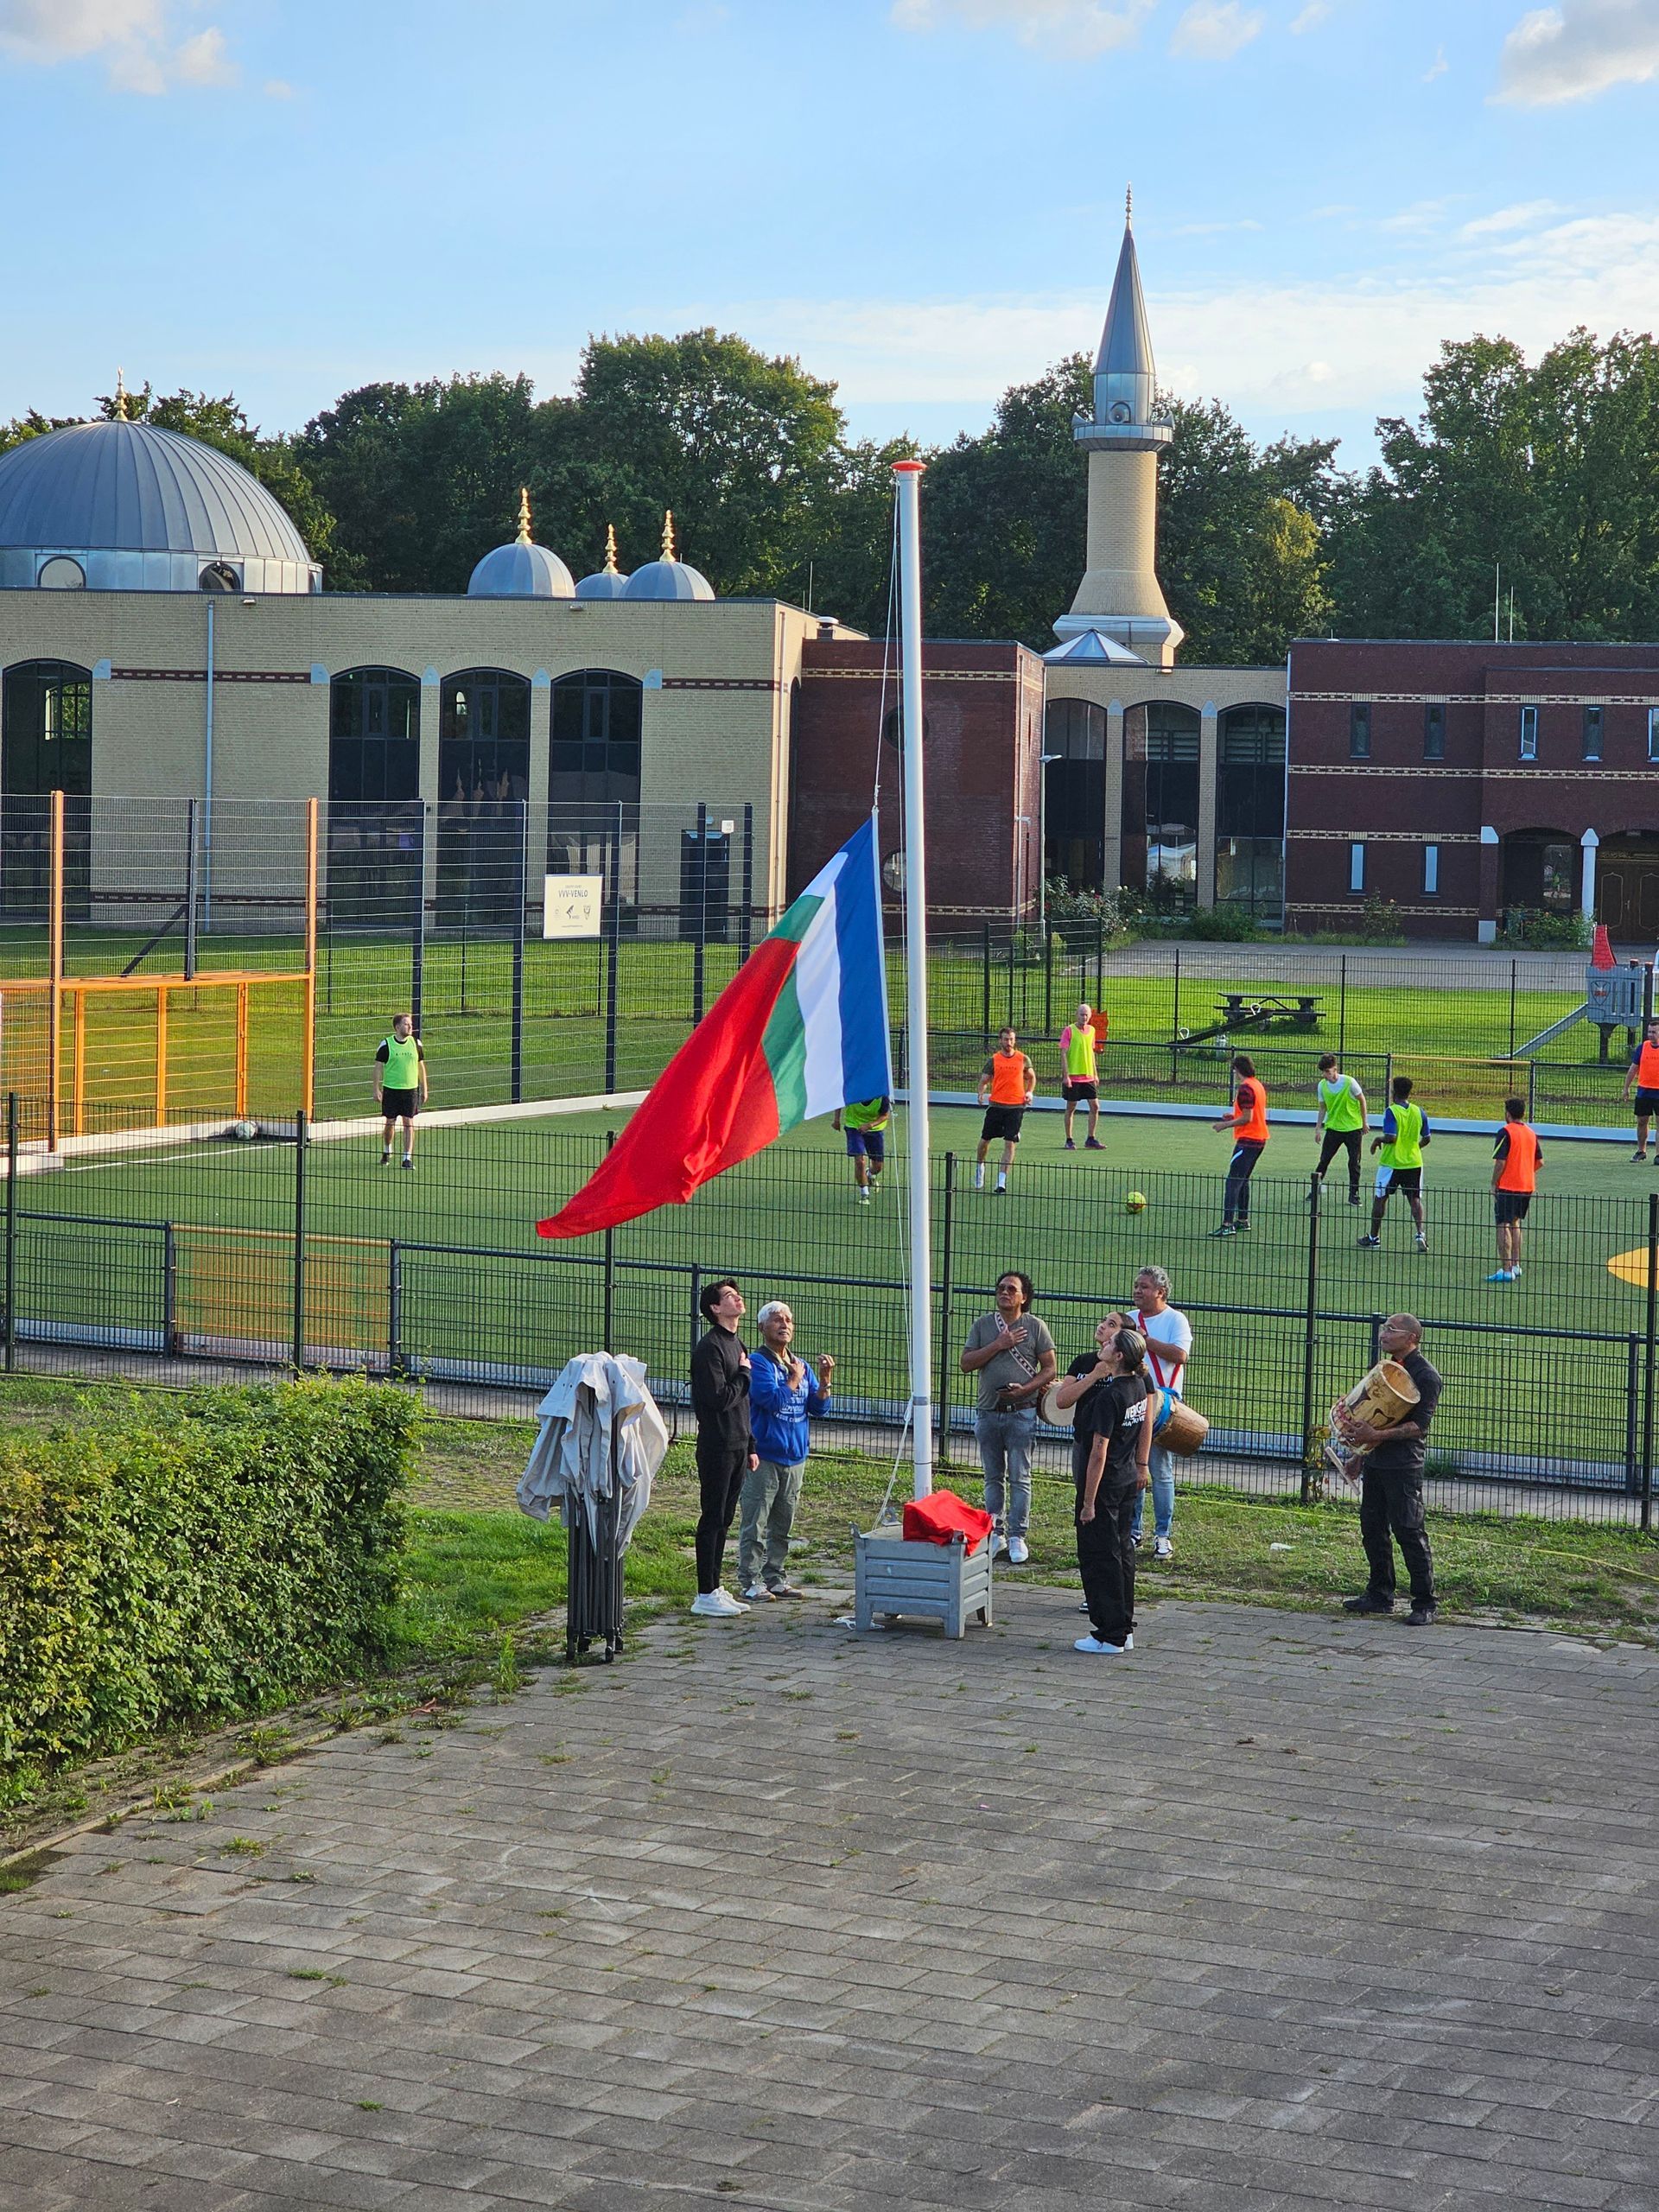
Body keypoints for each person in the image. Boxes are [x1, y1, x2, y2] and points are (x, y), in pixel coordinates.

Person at [1338, 1313, 1442, 1626]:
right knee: (1372, 1528)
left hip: (1403, 1465)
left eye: (1391, 1330)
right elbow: (1376, 1416)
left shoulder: (1426, 1376)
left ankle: (1425, 1602)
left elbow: (1419, 1427)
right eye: (1384, 1329)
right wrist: (1360, 1455)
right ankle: (1380, 1594)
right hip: (1377, 1461)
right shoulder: (1386, 1369)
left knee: (1409, 1531)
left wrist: (1376, 1437)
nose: (1383, 1334)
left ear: (1412, 1338)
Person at [959, 1268, 1056, 1563]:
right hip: (988, 1412)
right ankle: (994, 1531)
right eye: (1001, 1287)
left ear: (1024, 1297)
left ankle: (1017, 1535)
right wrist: (998, 1345)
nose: (1004, 1292)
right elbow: (966, 1363)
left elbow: (1050, 1369)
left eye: (1012, 1289)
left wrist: (1024, 1389)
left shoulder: (1036, 1327)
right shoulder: (983, 1326)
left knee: (1019, 1476)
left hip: (1022, 1413)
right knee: (992, 1477)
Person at [740, 1300, 834, 1600]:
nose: (784, 1325)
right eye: (777, 1319)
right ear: (762, 1327)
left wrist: (824, 1381)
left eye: (789, 1320)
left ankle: (776, 1577)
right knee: (755, 1522)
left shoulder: (800, 1364)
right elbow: (772, 1401)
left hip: (795, 1457)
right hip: (765, 1455)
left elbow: (818, 1408)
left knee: (783, 1524)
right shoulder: (759, 1363)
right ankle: (750, 1580)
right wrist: (794, 1379)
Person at [1073, 1325, 1153, 1655]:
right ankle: (1124, 1627)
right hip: (1126, 1481)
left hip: (1105, 1485)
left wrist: (1088, 1502)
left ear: (1118, 1356)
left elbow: (1098, 1451)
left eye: (1110, 1344)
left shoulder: (1110, 1396)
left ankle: (1108, 1634)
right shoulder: (1137, 1387)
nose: (1103, 1344)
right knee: (1122, 1555)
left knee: (1100, 1559)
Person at [689, 1278, 760, 1618]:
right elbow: (719, 1398)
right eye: (730, 1297)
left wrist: (751, 1445)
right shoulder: (709, 1349)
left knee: (726, 1518)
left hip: (737, 1445)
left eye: (736, 1295)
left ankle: (716, 1587)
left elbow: (743, 1406)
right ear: (716, 1309)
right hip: (716, 1446)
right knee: (713, 1517)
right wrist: (745, 1376)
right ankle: (704, 1593)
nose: (738, 1299)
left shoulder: (737, 1343)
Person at [1128, 1264, 1192, 1560]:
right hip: (1130, 1400)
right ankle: (1133, 1529)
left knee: (1159, 1469)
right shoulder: (1128, 1319)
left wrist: (1143, 1341)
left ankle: (1162, 1534)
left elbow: (1180, 1354)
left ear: (1160, 1292)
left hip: (1162, 1403)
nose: (1137, 1291)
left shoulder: (1175, 1320)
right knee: (1132, 1468)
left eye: (1144, 1287)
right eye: (1136, 1286)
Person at [1359, 1075, 1430, 1255]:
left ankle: (1374, 1238)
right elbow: (1427, 1138)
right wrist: (1413, 1148)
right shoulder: (1419, 1111)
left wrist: (1377, 1140)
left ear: (1394, 1093)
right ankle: (1420, 1234)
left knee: (1381, 1197)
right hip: (1414, 1162)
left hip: (1392, 1163)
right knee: (1415, 1198)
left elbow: (1391, 1137)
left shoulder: (1392, 1111)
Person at [1210, 1054, 1268, 1236]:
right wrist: (1232, 1116)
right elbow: (1250, 1114)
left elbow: (1247, 1118)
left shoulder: (1245, 1088)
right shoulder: (1257, 1084)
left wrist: (1224, 1125)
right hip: (1259, 1138)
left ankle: (1227, 1224)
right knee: (1243, 1180)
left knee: (1233, 1181)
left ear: (1238, 1070)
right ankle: (1243, 1220)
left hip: (1248, 1140)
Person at [976, 1026, 1036, 1194]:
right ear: (1000, 1041)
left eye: (1011, 1039)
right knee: (985, 1140)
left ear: (1014, 1040)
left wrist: (1029, 1092)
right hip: (996, 1106)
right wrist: (981, 1093)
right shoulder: (994, 1060)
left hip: (1016, 1107)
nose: (1008, 1042)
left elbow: (1031, 1078)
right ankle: (980, 1166)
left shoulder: (1023, 1059)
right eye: (1005, 1039)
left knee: (1010, 1142)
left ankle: (1001, 1182)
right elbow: (984, 1080)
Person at [1489, 1095, 1543, 1284]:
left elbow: (1500, 1162)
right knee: (1515, 1222)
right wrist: (1524, 1171)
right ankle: (1515, 1265)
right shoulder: (1531, 1133)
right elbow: (1540, 1162)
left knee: (1503, 1224)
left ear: (1508, 1113)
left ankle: (1505, 1270)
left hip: (1508, 1185)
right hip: (1526, 1185)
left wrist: (1494, 1183)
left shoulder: (1505, 1132)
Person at [1311, 1052, 1367, 1208]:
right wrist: (1318, 1129)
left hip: (1353, 1129)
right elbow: (1322, 1108)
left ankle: (1354, 1195)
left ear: (1335, 1069)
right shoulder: (1322, 1086)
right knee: (1324, 1160)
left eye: (1328, 1071)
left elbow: (1362, 1100)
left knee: (1354, 1163)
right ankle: (1314, 1188)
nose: (1325, 1075)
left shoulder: (1350, 1082)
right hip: (1333, 1129)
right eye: (1323, 1072)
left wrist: (1364, 1122)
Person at [374, 1013, 428, 1169]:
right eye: (406, 1024)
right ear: (397, 1027)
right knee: (390, 1122)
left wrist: (424, 1088)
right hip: (391, 1090)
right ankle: (387, 1149)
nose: (410, 1027)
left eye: (410, 1024)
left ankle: (407, 1158)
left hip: (410, 1090)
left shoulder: (416, 1043)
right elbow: (378, 1067)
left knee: (408, 1122)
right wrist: (376, 1089)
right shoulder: (386, 1045)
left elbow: (421, 1066)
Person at [1058, 1003, 1104, 1151]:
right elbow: (1064, 1053)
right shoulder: (1069, 1031)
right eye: (1081, 1014)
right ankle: (1069, 1139)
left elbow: (1091, 1053)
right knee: (1071, 1107)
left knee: (1095, 1106)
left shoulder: (1092, 1030)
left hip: (1088, 1076)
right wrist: (1066, 1076)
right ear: (1076, 1015)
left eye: (1086, 1015)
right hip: (1073, 1076)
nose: (1084, 1017)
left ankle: (1091, 1138)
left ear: (1089, 1016)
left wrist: (1095, 1073)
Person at [831, 1096, 890, 1204]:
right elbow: (839, 1100)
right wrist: (836, 1120)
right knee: (860, 1161)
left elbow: (885, 1116)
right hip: (854, 1127)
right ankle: (864, 1193)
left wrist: (869, 1125)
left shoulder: (882, 1096)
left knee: (878, 1167)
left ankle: (869, 1174)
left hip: (875, 1129)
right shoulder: (854, 1089)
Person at [1622, 1019, 1659, 1161]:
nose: (1650, 1035)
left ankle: (1658, 1155)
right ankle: (1641, 1151)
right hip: (1644, 1091)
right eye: (1649, 1032)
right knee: (1642, 1121)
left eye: (1654, 1032)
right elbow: (1633, 1069)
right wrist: (1626, 1088)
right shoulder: (1642, 1048)